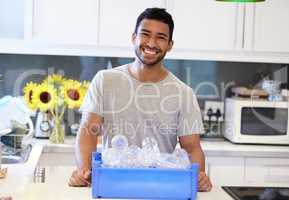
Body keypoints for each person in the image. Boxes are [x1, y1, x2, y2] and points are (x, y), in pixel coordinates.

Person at [69, 7, 212, 192]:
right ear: (134, 37)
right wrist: (84, 170)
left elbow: (192, 148)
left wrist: (198, 176)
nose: (151, 43)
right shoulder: (105, 80)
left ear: (170, 45)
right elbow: (88, 131)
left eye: (161, 37)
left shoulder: (183, 93)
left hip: (161, 187)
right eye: (145, 34)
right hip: (112, 185)